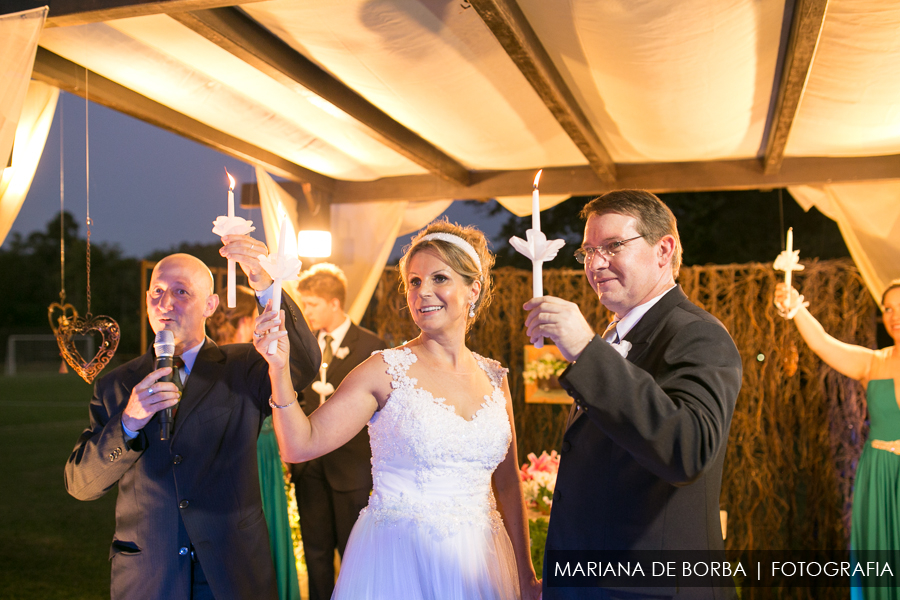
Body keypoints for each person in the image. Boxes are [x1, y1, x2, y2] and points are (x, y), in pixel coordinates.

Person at [258, 221, 542, 600]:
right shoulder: (384, 370)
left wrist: (524, 574)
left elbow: (507, 483)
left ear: (473, 289)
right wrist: (279, 372)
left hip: (482, 562)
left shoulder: (495, 377)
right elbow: (300, 445)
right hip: (399, 562)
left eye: (439, 278)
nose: (423, 292)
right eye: (413, 281)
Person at [64, 235, 321, 600]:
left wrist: (265, 284)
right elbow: (81, 484)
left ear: (210, 305)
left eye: (181, 292)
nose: (165, 303)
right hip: (150, 577)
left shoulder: (243, 366)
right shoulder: (117, 385)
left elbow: (304, 365)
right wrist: (128, 423)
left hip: (231, 570)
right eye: (157, 292)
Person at [523, 190, 743, 599]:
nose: (595, 263)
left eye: (613, 246)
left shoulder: (697, 333)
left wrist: (588, 352)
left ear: (664, 250)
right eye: (588, 251)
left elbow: (688, 450)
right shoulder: (616, 335)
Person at [776, 279, 900, 599]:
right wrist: (796, 307)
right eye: (888, 309)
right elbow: (822, 343)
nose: (894, 315)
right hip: (880, 474)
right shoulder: (874, 362)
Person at [287, 263, 386, 600]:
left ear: (334, 303)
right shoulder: (300, 346)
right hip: (310, 468)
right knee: (315, 553)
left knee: (353, 553)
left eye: (311, 304)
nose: (307, 312)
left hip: (351, 469)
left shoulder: (372, 347)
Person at [207, 284, 301, 600]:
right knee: (260, 530)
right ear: (246, 320)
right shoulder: (246, 358)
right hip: (254, 455)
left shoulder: (214, 355)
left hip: (262, 454)